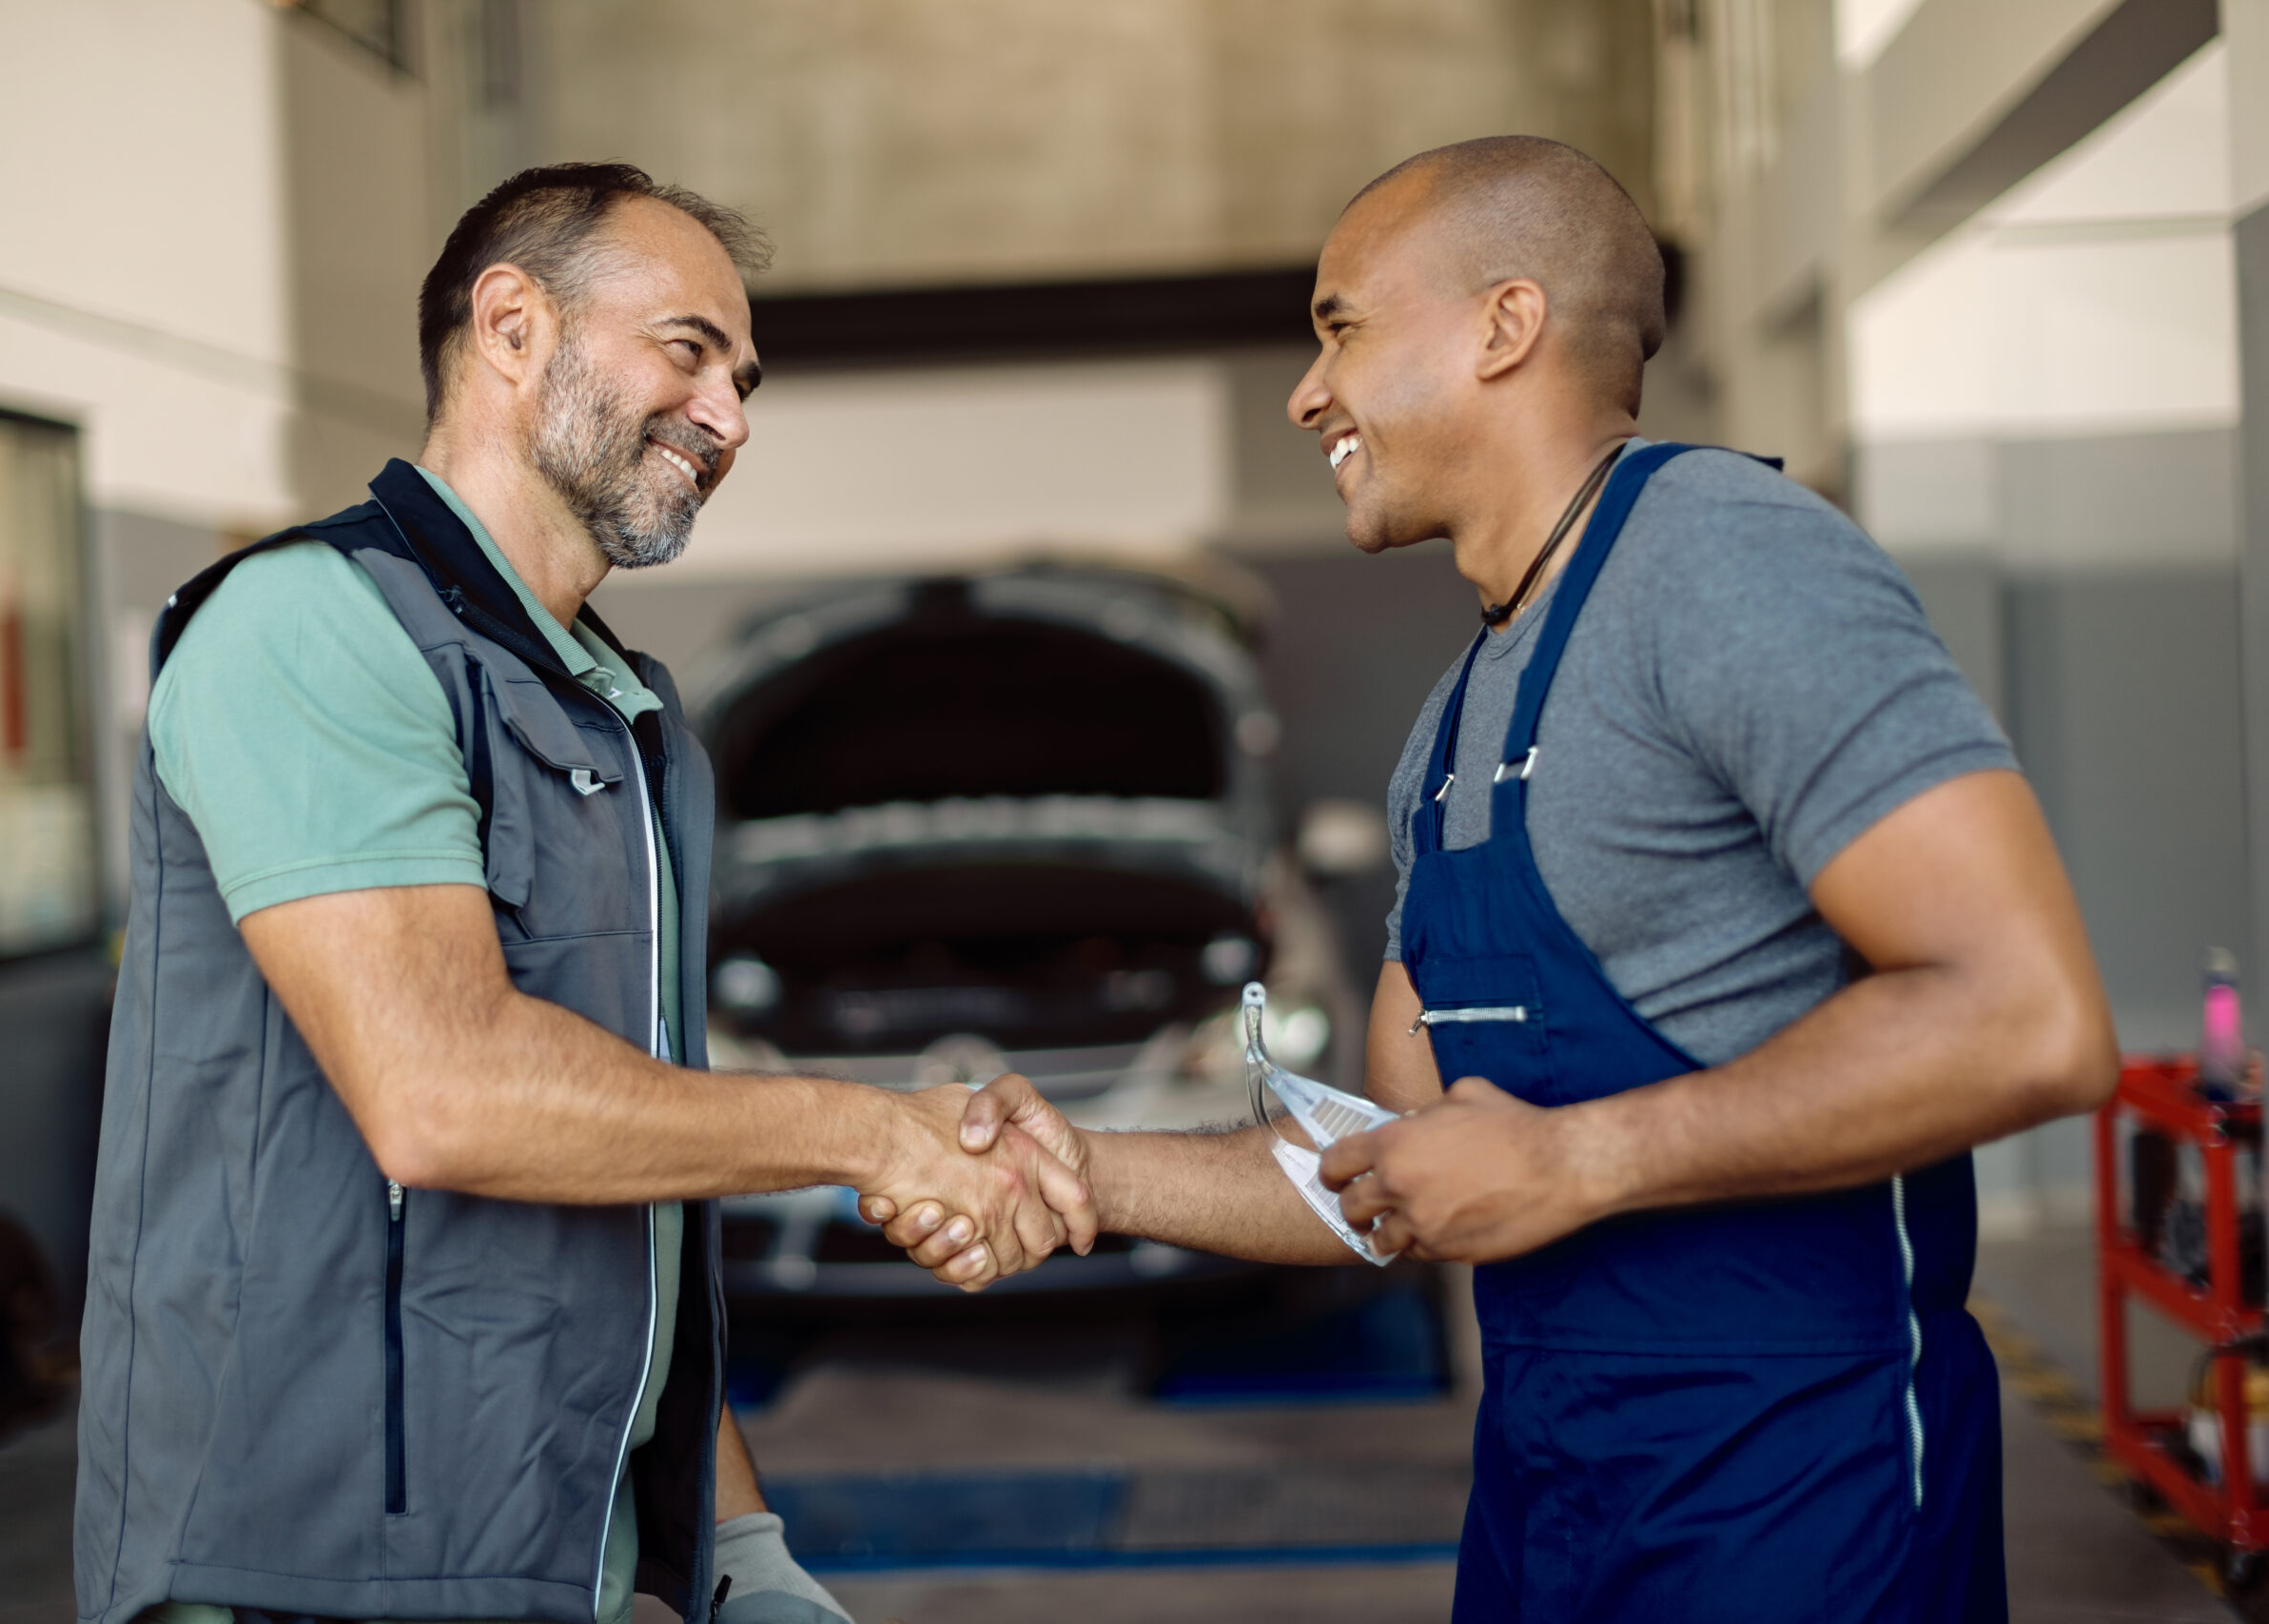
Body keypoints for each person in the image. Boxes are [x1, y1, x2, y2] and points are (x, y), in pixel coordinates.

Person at [885, 136, 2119, 1619]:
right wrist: (1087, 1169)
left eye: (1340, 324)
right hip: (1555, 1503)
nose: (1306, 390)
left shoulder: (1730, 565)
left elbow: (2026, 1015)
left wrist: (1581, 1160)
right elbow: (1398, 1165)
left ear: (1504, 325)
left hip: (1798, 1504)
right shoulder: (1456, 721)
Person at [75, 163, 1092, 1624]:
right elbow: (448, 1094)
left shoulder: (623, 715)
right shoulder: (314, 626)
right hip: (296, 1567)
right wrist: (870, 1132)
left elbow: (637, 1167)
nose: (731, 418)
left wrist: (737, 1545)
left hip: (555, 1561)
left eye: (745, 379)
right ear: (509, 325)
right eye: (687, 351)